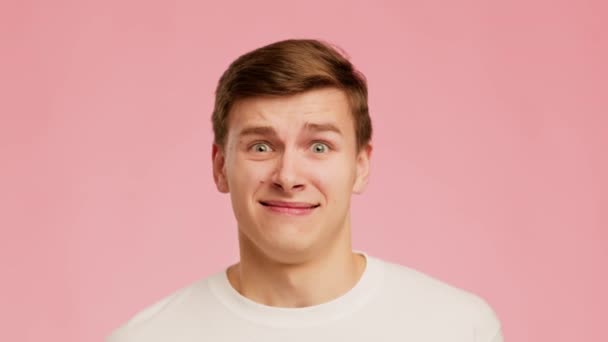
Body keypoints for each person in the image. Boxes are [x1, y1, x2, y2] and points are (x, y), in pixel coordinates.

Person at [107, 39, 504, 341]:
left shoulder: (456, 327)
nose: (288, 176)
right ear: (220, 167)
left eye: (319, 146)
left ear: (361, 166)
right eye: (261, 146)